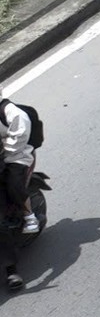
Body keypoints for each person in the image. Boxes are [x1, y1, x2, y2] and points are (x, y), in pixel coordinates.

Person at [0, 95, 33, 236]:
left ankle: (30, 216)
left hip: (16, 154)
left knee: (13, 183)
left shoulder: (9, 111)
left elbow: (21, 133)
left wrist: (4, 149)